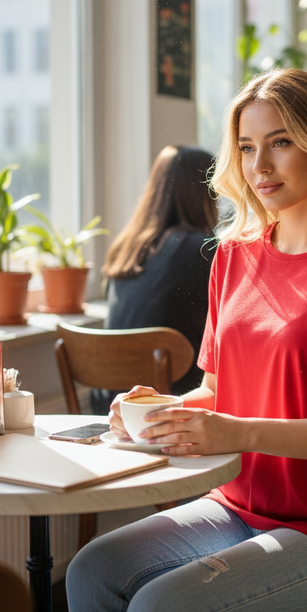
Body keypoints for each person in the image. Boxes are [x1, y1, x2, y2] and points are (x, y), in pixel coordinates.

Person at [66, 68, 307, 612]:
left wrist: (235, 431)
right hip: (239, 505)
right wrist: (159, 412)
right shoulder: (233, 255)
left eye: (280, 142)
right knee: (92, 573)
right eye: (247, 147)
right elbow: (217, 393)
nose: (260, 166)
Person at [93, 145, 218, 414]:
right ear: (206, 193)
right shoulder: (205, 249)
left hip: (110, 406)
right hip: (175, 402)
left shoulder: (125, 248)